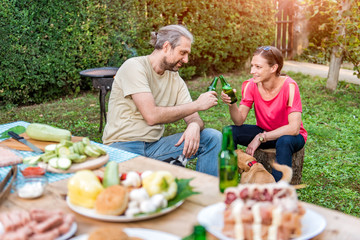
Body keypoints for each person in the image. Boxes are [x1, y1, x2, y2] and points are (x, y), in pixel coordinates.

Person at [102, 25, 222, 176]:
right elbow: (152, 116)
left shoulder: (175, 79)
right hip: (122, 148)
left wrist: (194, 125)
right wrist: (197, 104)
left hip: (155, 148)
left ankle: (208, 195)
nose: (186, 60)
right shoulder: (134, 66)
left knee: (213, 137)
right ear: (166, 47)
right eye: (182, 53)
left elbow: (195, 118)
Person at [221, 46, 307, 181]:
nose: (252, 71)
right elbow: (239, 121)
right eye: (252, 66)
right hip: (265, 131)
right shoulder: (251, 85)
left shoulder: (289, 86)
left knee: (284, 141)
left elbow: (294, 128)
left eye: (258, 67)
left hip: (290, 137)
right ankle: (229, 180)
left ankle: (277, 190)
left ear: (273, 68)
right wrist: (231, 103)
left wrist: (261, 137)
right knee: (229, 132)